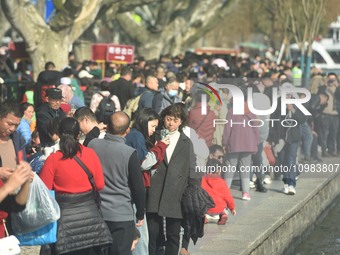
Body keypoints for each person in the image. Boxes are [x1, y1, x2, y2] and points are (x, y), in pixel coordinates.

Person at [39, 117, 112, 255]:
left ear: (59, 134)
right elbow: (100, 184)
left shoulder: (53, 159)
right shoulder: (90, 154)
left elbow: (44, 190)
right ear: (79, 134)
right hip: (91, 220)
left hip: (65, 222)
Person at [88, 112, 146, 255]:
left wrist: (97, 128)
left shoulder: (93, 145)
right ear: (127, 130)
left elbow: (89, 137)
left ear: (107, 126)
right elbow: (138, 187)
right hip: (122, 215)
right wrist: (140, 212)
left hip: (97, 212)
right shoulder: (129, 153)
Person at [146, 103, 198, 255]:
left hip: (176, 192)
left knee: (173, 234)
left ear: (181, 122)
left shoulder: (186, 142)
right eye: (169, 119)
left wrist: (193, 189)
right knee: (153, 233)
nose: (171, 123)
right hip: (155, 190)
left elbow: (192, 167)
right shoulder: (153, 137)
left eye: (175, 120)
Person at [125, 108, 169, 255]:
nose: (153, 130)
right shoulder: (137, 137)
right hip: (134, 191)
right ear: (145, 122)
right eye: (153, 126)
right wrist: (161, 147)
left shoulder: (136, 136)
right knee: (141, 237)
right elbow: (144, 163)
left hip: (130, 191)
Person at [0, 100, 33, 238]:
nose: (12, 129)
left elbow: (22, 160)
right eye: (9, 123)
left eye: (17, 125)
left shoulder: (16, 138)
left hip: (12, 202)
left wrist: (25, 175)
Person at [201, 158, 236, 225]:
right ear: (218, 171)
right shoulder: (222, 182)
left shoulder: (201, 180)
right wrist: (232, 208)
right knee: (224, 207)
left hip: (206, 210)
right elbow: (228, 197)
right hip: (218, 210)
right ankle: (222, 214)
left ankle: (204, 216)